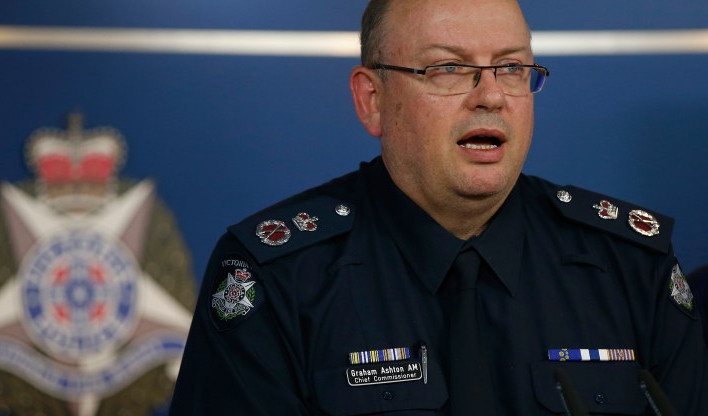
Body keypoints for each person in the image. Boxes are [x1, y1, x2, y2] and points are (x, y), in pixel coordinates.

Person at [169, 0, 708, 414]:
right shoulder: (276, 278)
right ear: (372, 100)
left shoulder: (630, 266)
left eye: (512, 68)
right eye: (448, 69)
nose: (491, 96)